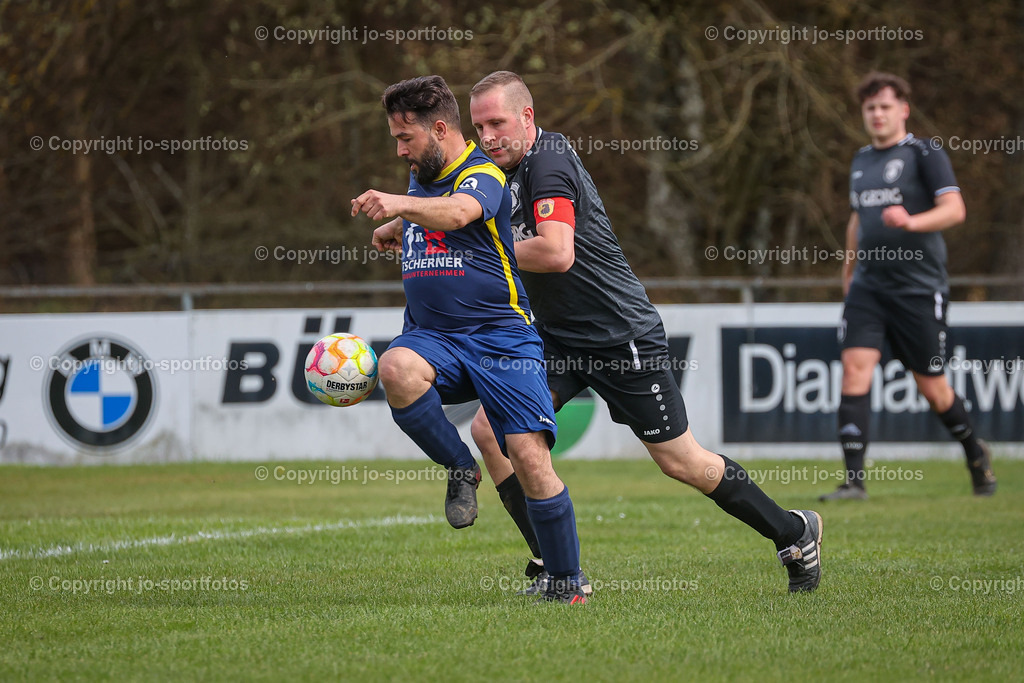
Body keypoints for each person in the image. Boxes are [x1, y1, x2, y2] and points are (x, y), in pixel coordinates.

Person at [463, 70, 821, 594]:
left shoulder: (549, 164)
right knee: (490, 431)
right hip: (556, 339)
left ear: (527, 117)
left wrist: (477, 256)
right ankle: (552, 562)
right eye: (478, 127)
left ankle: (794, 533)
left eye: (497, 123)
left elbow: (558, 252)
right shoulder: (495, 169)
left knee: (681, 461)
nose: (487, 136)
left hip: (617, 336)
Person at [351, 75, 586, 603]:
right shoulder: (420, 173)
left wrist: (397, 208)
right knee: (394, 368)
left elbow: (459, 213)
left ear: (438, 129)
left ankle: (569, 581)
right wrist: (400, 227)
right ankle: (460, 468)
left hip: (501, 337)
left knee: (527, 454)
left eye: (405, 137)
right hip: (435, 336)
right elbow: (433, 218)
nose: (399, 148)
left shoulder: (483, 172)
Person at [819, 72, 997, 501]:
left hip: (918, 289)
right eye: (870, 108)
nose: (877, 115)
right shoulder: (861, 160)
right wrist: (848, 273)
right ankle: (854, 482)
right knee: (854, 371)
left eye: (884, 106)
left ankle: (975, 453)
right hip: (868, 288)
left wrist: (912, 221)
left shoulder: (924, 153)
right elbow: (857, 220)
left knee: (932, 387)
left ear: (903, 110)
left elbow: (955, 209)